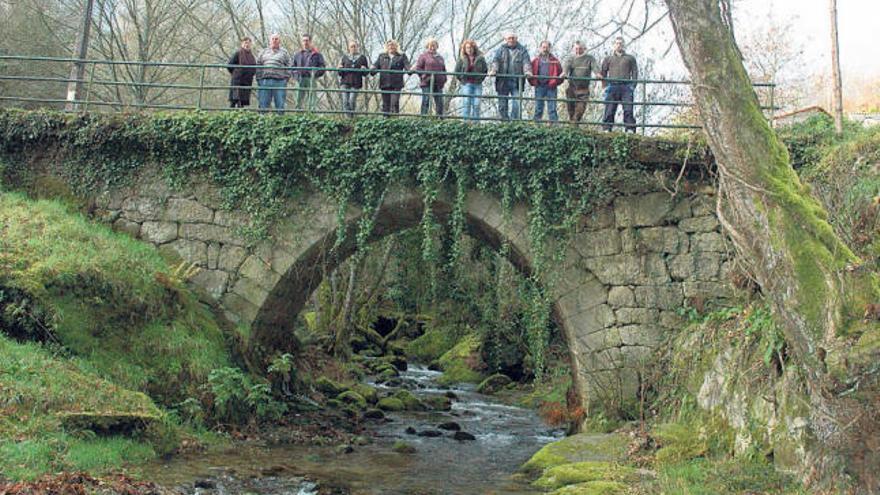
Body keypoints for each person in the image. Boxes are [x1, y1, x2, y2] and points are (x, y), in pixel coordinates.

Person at [489, 33, 531, 121]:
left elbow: (526, 62)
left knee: (517, 103)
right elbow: (496, 60)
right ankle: (504, 123)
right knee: (502, 104)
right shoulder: (501, 49)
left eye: (513, 38)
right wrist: (494, 70)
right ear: (506, 39)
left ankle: (513, 123)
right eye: (509, 38)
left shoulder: (522, 50)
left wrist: (527, 71)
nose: (511, 40)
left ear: (516, 38)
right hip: (503, 81)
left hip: (516, 81)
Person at [600, 36, 638, 132]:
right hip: (612, 85)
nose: (619, 45)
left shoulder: (630, 58)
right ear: (614, 45)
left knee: (628, 109)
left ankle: (629, 128)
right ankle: (607, 128)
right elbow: (603, 72)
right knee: (610, 109)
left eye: (621, 43)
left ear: (624, 45)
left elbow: (635, 72)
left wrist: (633, 86)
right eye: (617, 43)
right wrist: (604, 86)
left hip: (626, 86)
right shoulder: (608, 59)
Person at [528, 40, 563, 123]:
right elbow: (530, 72)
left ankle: (554, 127)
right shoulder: (535, 60)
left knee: (552, 108)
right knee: (538, 108)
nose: (545, 49)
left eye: (547, 47)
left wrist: (554, 82)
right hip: (539, 86)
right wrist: (533, 82)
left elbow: (561, 74)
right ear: (540, 48)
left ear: (550, 48)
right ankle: (536, 126)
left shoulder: (555, 61)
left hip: (551, 87)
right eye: (543, 47)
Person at [372, 40, 410, 116]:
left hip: (396, 84)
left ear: (396, 46)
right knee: (386, 104)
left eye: (393, 45)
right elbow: (375, 67)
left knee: (394, 103)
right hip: (384, 83)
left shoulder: (402, 56)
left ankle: (395, 122)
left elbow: (407, 67)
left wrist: (411, 69)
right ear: (386, 47)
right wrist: (372, 68)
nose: (391, 47)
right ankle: (386, 122)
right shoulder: (382, 56)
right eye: (389, 45)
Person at [256, 33, 292, 112]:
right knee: (263, 103)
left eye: (276, 39)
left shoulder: (284, 52)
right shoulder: (263, 52)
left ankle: (280, 121)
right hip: (265, 81)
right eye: (273, 39)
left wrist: (286, 78)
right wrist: (259, 79)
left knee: (280, 103)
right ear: (270, 41)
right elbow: (258, 64)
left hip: (279, 81)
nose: (274, 41)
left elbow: (289, 65)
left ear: (279, 41)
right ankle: (262, 121)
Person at [454, 39, 488, 121]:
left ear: (474, 48)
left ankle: (476, 123)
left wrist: (480, 79)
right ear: (465, 49)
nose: (469, 49)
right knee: (466, 102)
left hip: (477, 84)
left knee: (476, 104)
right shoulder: (462, 59)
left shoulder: (480, 58)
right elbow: (457, 71)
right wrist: (462, 79)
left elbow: (485, 70)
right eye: (467, 48)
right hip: (466, 83)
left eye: (471, 48)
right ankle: (466, 123)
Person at [564, 41, 597, 124]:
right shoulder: (570, 58)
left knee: (580, 109)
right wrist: (564, 73)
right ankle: (573, 126)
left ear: (584, 49)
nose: (578, 50)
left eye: (580, 49)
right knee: (570, 108)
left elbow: (595, 67)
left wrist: (598, 74)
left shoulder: (589, 58)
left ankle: (575, 123)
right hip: (572, 86)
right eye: (576, 49)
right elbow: (566, 67)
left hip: (583, 88)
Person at [292, 34, 326, 111]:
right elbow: (292, 67)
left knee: (312, 100)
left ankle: (311, 116)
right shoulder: (297, 54)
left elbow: (322, 67)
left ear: (310, 41)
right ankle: (297, 116)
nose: (305, 42)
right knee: (298, 99)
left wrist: (315, 74)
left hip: (311, 78)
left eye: (307, 40)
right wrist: (296, 76)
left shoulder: (317, 55)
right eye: (303, 40)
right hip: (300, 78)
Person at [414, 38, 447, 116]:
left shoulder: (440, 57)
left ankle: (439, 119)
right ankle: (424, 118)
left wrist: (444, 79)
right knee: (426, 100)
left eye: (434, 46)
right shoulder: (423, 56)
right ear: (427, 46)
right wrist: (423, 76)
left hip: (438, 82)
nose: (432, 47)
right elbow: (418, 67)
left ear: (437, 46)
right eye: (431, 46)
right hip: (427, 81)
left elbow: (444, 69)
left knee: (439, 102)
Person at [338, 41, 369, 117]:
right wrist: (339, 68)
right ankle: (348, 119)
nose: (353, 48)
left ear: (357, 47)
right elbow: (339, 73)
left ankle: (351, 118)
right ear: (349, 48)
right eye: (351, 46)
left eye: (354, 46)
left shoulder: (362, 57)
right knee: (345, 101)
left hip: (356, 83)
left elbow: (366, 73)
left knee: (351, 101)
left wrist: (364, 69)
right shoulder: (344, 57)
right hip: (345, 82)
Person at [227, 37, 257, 108]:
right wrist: (236, 72)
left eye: (249, 43)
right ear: (242, 44)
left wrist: (251, 73)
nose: (247, 45)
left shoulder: (251, 56)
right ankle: (230, 115)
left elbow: (254, 67)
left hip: (247, 81)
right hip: (237, 80)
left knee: (242, 101)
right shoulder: (238, 53)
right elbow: (230, 65)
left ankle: (241, 116)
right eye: (245, 43)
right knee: (234, 100)